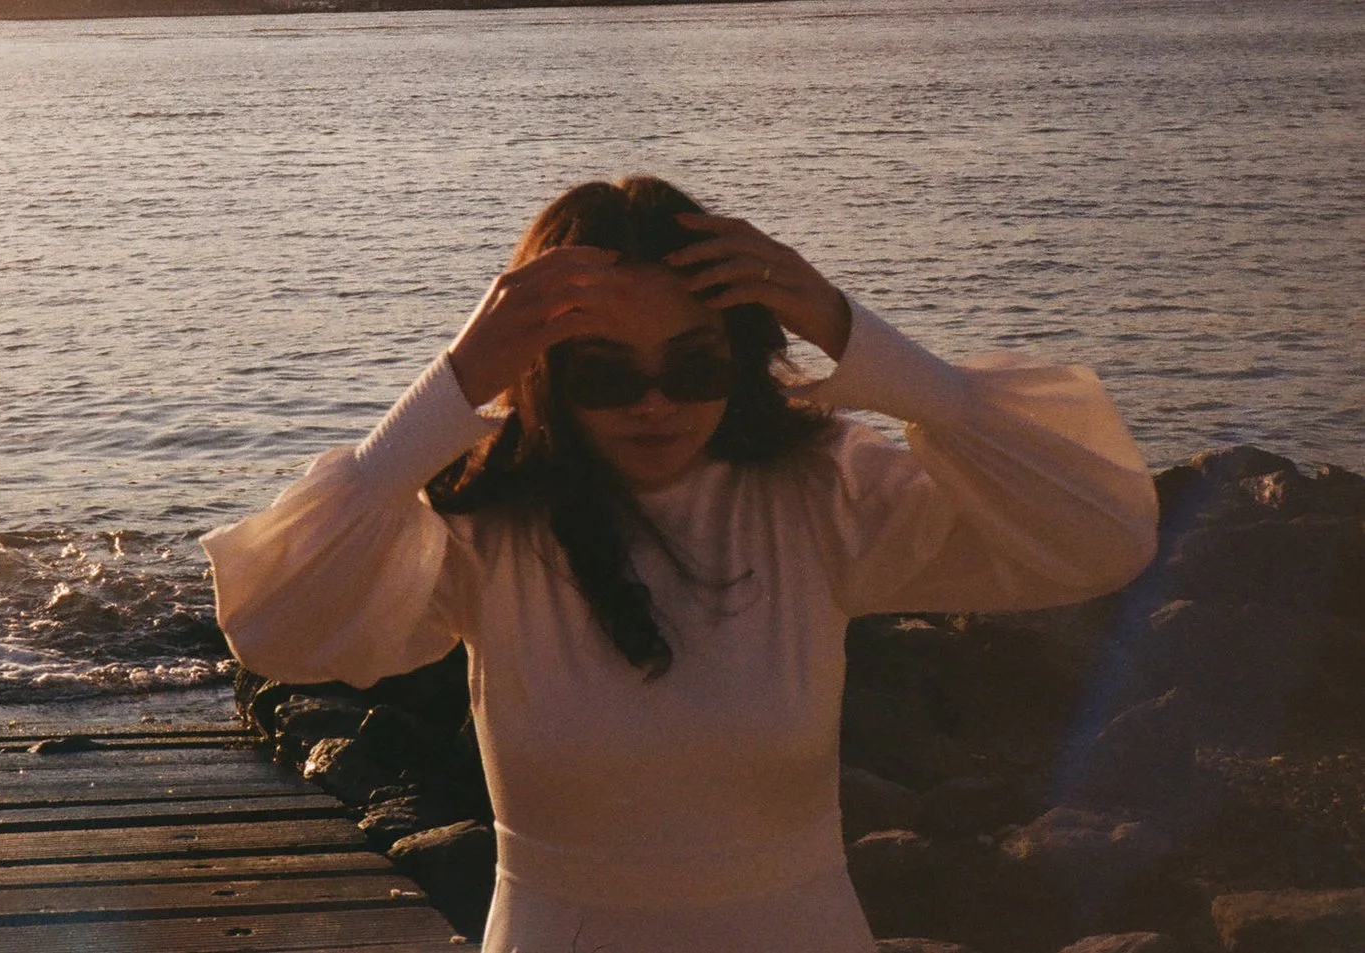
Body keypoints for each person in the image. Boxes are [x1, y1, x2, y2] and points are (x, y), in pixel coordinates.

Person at [202, 176, 1159, 953]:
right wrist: (449, 387)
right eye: (606, 375)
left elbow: (1101, 533)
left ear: (739, 360)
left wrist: (846, 327)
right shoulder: (482, 529)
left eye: (695, 366)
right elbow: (276, 627)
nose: (655, 404)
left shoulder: (820, 493)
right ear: (541, 370)